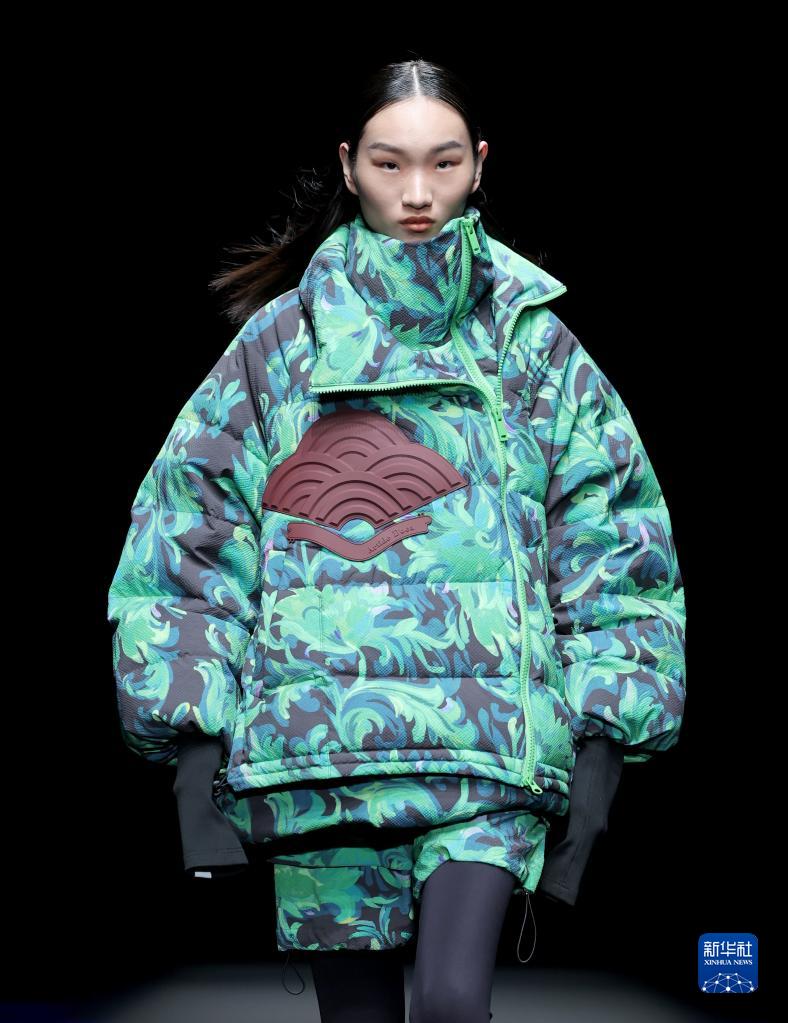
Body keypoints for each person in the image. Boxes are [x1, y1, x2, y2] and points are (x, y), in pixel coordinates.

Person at [107, 57, 686, 1023]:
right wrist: (194, 756)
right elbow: (187, 536)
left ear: (480, 164)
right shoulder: (280, 349)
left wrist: (599, 760)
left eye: (443, 162)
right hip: (323, 756)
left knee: (452, 1003)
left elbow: (617, 548)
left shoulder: (533, 347)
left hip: (492, 753)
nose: (417, 192)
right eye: (389, 162)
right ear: (348, 165)